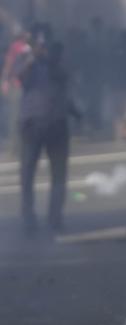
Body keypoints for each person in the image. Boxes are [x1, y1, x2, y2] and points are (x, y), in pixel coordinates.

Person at [16, 25, 79, 236]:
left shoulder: (58, 59)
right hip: (32, 123)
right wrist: (33, 58)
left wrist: (49, 58)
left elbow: (63, 77)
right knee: (27, 174)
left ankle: (55, 217)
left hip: (57, 123)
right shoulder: (26, 59)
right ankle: (28, 218)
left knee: (59, 175)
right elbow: (20, 78)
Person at [2, 27, 29, 159]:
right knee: (21, 116)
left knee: (16, 116)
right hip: (25, 87)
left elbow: (8, 65)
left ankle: (16, 148)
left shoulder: (17, 47)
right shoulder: (25, 47)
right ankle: (20, 147)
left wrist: (5, 81)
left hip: (20, 87)